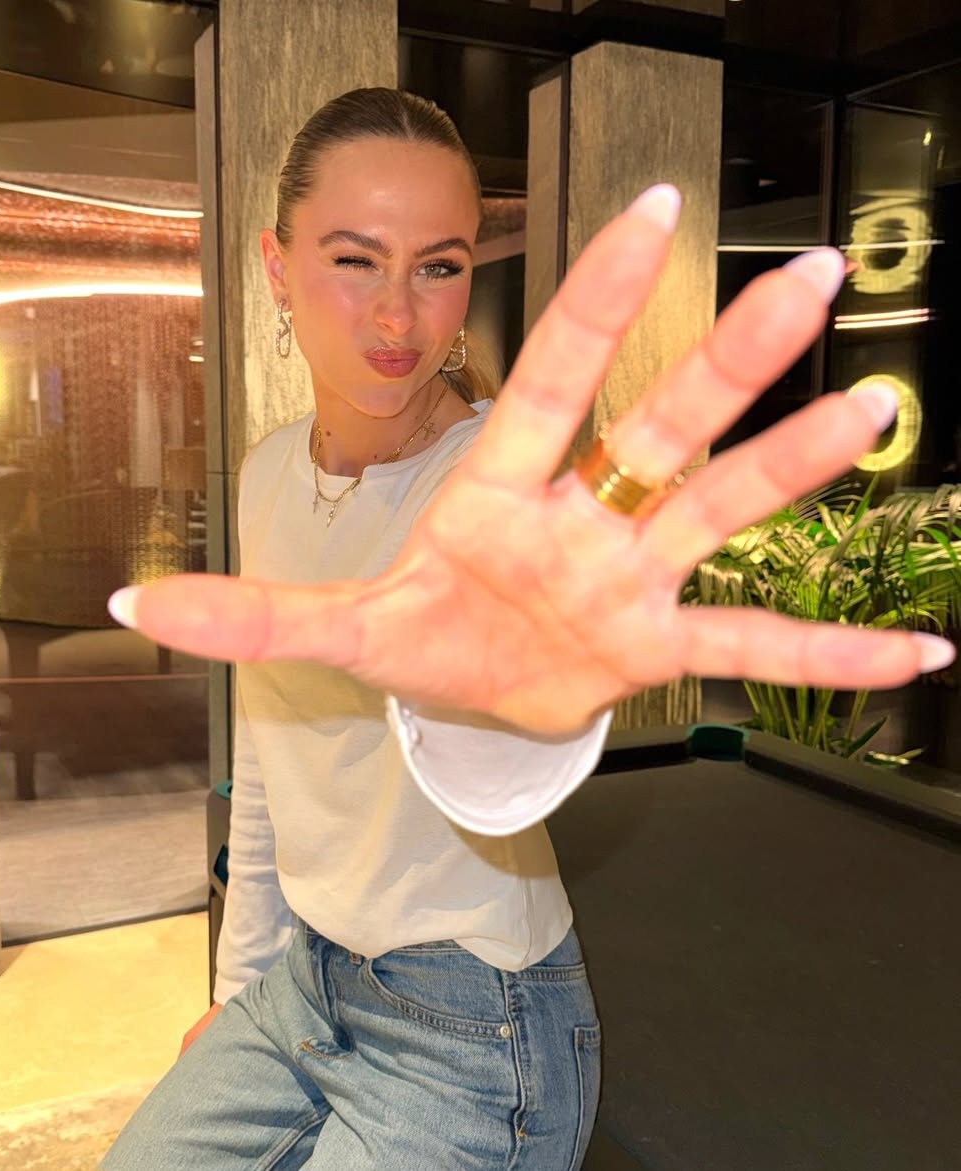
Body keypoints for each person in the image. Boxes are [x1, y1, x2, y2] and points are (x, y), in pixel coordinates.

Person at [101, 88, 953, 1171]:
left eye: (439, 266)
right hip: (303, 983)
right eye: (356, 259)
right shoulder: (266, 473)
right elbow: (270, 763)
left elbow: (493, 754)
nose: (399, 318)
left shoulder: (491, 488)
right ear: (276, 265)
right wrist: (236, 995)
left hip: (470, 1019)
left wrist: (506, 704)